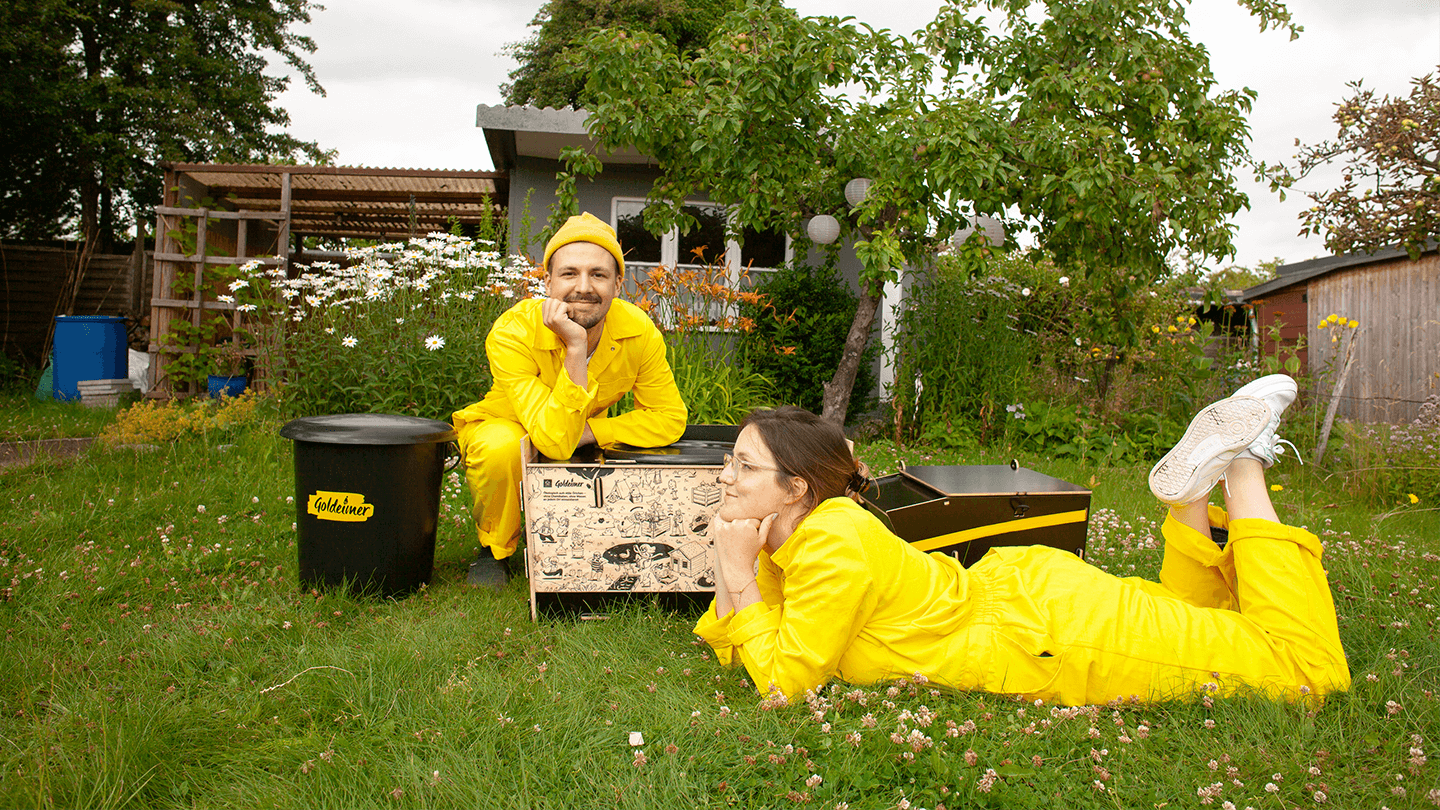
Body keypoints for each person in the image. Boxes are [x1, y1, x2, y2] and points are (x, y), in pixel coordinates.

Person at [694, 376, 1351, 705]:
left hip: (1049, 634)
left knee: (1303, 672)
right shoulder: (799, 537)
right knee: (1207, 626)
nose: (726, 476)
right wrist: (738, 569)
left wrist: (737, 574)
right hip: (1031, 603)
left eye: (745, 466)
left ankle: (1246, 464)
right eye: (733, 461)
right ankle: (1189, 504)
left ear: (796, 489)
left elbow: (784, 682)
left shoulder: (829, 541)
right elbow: (746, 650)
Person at [452, 213, 687, 587]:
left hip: (577, 427)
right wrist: (576, 347)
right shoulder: (513, 330)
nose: (584, 287)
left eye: (598, 274)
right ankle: (494, 549)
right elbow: (555, 441)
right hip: (511, 422)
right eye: (568, 273)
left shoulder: (638, 330)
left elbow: (670, 417)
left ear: (618, 283)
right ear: (547, 281)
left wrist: (594, 430)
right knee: (501, 448)